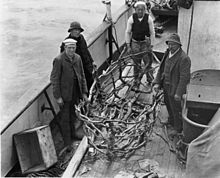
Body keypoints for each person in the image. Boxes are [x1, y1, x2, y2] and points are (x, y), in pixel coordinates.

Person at [50, 38, 88, 147]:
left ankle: (73, 134)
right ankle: (67, 142)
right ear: (65, 48)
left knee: (73, 115)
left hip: (76, 92)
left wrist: (84, 92)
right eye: (69, 48)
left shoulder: (78, 58)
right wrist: (58, 97)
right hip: (65, 94)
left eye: (73, 48)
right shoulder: (58, 60)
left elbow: (82, 76)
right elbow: (54, 79)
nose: (71, 50)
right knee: (65, 119)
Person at [152, 33, 191, 134]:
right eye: (168, 44)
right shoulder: (167, 53)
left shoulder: (184, 58)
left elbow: (184, 78)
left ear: (178, 45)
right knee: (168, 104)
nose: (170, 47)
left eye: (172, 44)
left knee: (176, 108)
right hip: (166, 85)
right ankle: (171, 121)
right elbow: (161, 69)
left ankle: (178, 128)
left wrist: (179, 93)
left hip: (175, 88)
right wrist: (157, 82)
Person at [125, 1, 155, 89]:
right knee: (136, 63)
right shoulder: (131, 19)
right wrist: (128, 45)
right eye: (138, 10)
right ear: (135, 10)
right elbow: (128, 32)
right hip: (135, 43)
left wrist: (151, 45)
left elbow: (152, 33)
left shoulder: (149, 19)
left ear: (145, 10)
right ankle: (136, 80)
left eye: (142, 10)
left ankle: (150, 79)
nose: (140, 12)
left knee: (148, 62)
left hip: (145, 43)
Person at [60, 21, 94, 91]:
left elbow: (86, 51)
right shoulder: (66, 43)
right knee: (80, 88)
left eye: (78, 30)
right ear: (71, 31)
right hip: (77, 70)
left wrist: (92, 61)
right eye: (75, 30)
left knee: (90, 84)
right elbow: (64, 59)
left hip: (87, 67)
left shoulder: (82, 38)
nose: (77, 32)